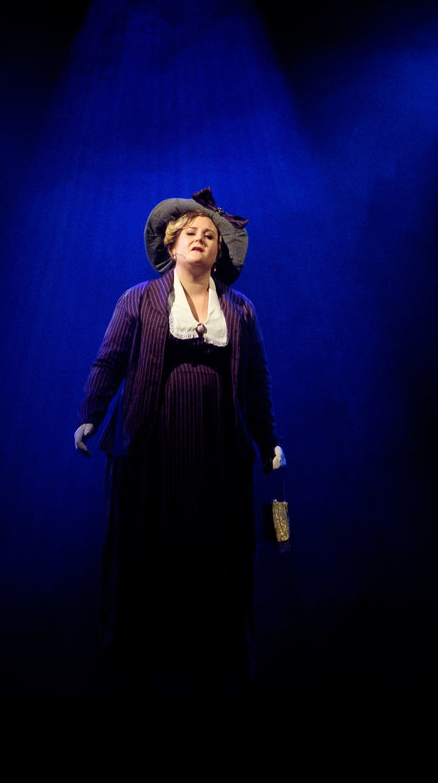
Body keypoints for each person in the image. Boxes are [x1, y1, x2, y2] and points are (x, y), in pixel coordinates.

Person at [74, 188, 284, 692]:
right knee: (140, 555)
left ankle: (219, 668)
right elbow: (110, 360)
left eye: (209, 236)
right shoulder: (138, 299)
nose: (200, 239)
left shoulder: (241, 311)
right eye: (190, 233)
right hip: (150, 446)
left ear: (218, 252)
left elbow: (257, 381)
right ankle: (130, 667)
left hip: (217, 450)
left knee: (219, 559)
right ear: (172, 246)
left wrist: (267, 440)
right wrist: (90, 415)